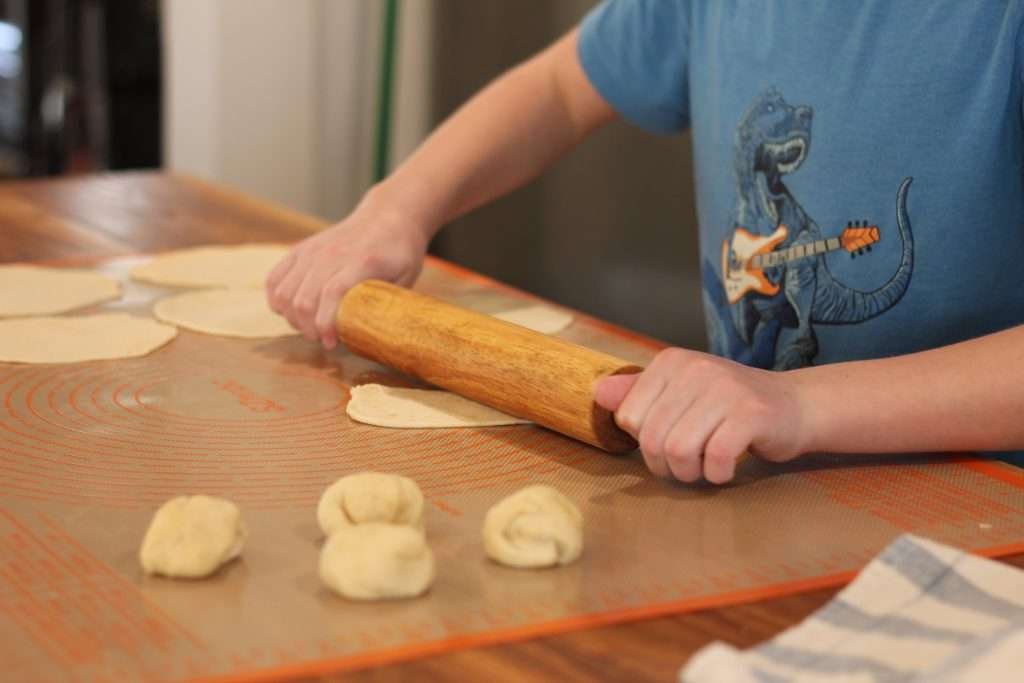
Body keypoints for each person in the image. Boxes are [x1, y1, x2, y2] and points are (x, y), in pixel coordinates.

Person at [266, 1, 1024, 484]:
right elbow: (561, 90)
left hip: (982, 524)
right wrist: (397, 207)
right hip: (759, 487)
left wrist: (800, 406)